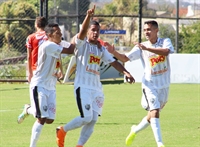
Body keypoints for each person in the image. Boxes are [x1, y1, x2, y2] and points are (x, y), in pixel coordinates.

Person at [56, 5, 135, 147]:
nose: (96, 33)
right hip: (83, 87)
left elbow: (113, 62)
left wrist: (126, 72)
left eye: (98, 31)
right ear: (87, 32)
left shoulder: (100, 48)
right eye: (93, 30)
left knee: (92, 120)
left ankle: (79, 145)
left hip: (97, 89)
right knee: (86, 117)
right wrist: (88, 16)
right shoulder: (81, 44)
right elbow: (81, 32)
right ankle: (62, 130)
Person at [105, 20, 174, 147]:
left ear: (156, 30)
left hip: (164, 85)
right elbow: (125, 58)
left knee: (152, 115)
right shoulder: (140, 47)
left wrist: (147, 48)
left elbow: (166, 52)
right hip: (150, 84)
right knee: (155, 112)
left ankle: (135, 130)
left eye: (149, 29)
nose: (146, 32)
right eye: (145, 30)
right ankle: (160, 144)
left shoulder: (165, 41)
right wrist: (114, 52)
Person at [17, 23, 75, 147]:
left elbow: (60, 55)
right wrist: (78, 38)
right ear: (49, 35)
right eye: (57, 33)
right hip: (40, 85)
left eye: (60, 32)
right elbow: (71, 50)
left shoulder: (56, 44)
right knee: (41, 118)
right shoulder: (48, 45)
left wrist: (58, 71)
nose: (60, 35)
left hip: (51, 86)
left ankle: (28, 109)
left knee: (50, 119)